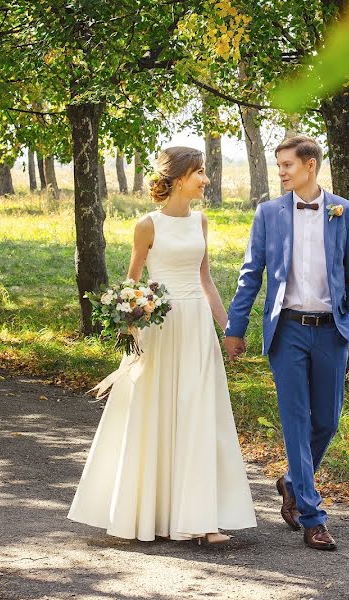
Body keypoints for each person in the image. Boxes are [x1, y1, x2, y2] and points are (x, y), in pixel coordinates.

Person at [68, 146, 257, 545]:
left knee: (199, 414)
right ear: (177, 178)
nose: (205, 179)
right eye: (199, 172)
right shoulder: (147, 225)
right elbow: (133, 281)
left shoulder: (201, 222)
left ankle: (203, 519)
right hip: (160, 327)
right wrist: (130, 320)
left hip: (196, 329)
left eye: (204, 172)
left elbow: (206, 281)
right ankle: (148, 513)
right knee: (154, 413)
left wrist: (230, 328)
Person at [224, 135, 349, 551]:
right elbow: (251, 273)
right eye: (279, 165)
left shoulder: (347, 212)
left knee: (327, 420)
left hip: (331, 331)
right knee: (296, 421)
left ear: (310, 166)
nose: (281, 172)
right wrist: (236, 328)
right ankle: (312, 516)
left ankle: (290, 482)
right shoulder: (269, 213)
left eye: (287, 164)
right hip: (286, 331)